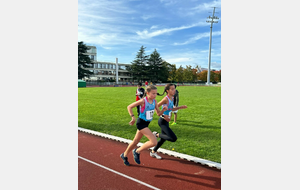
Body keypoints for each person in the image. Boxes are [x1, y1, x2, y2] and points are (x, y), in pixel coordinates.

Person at [120, 85, 168, 166]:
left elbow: (158, 113)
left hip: (146, 123)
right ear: (147, 93)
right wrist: (133, 118)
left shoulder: (154, 101)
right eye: (153, 93)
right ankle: (137, 151)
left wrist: (163, 110)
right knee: (154, 142)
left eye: (156, 93)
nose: (155, 95)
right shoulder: (143, 101)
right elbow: (129, 107)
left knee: (135, 141)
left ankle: (124, 155)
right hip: (141, 123)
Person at [150, 83, 188, 160]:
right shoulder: (166, 99)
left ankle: (153, 152)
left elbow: (171, 109)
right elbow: (155, 107)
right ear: (167, 90)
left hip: (166, 121)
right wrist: (163, 115)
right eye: (172, 89)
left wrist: (180, 107)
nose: (174, 90)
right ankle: (156, 134)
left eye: (174, 89)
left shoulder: (172, 98)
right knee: (173, 138)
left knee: (164, 138)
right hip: (162, 121)